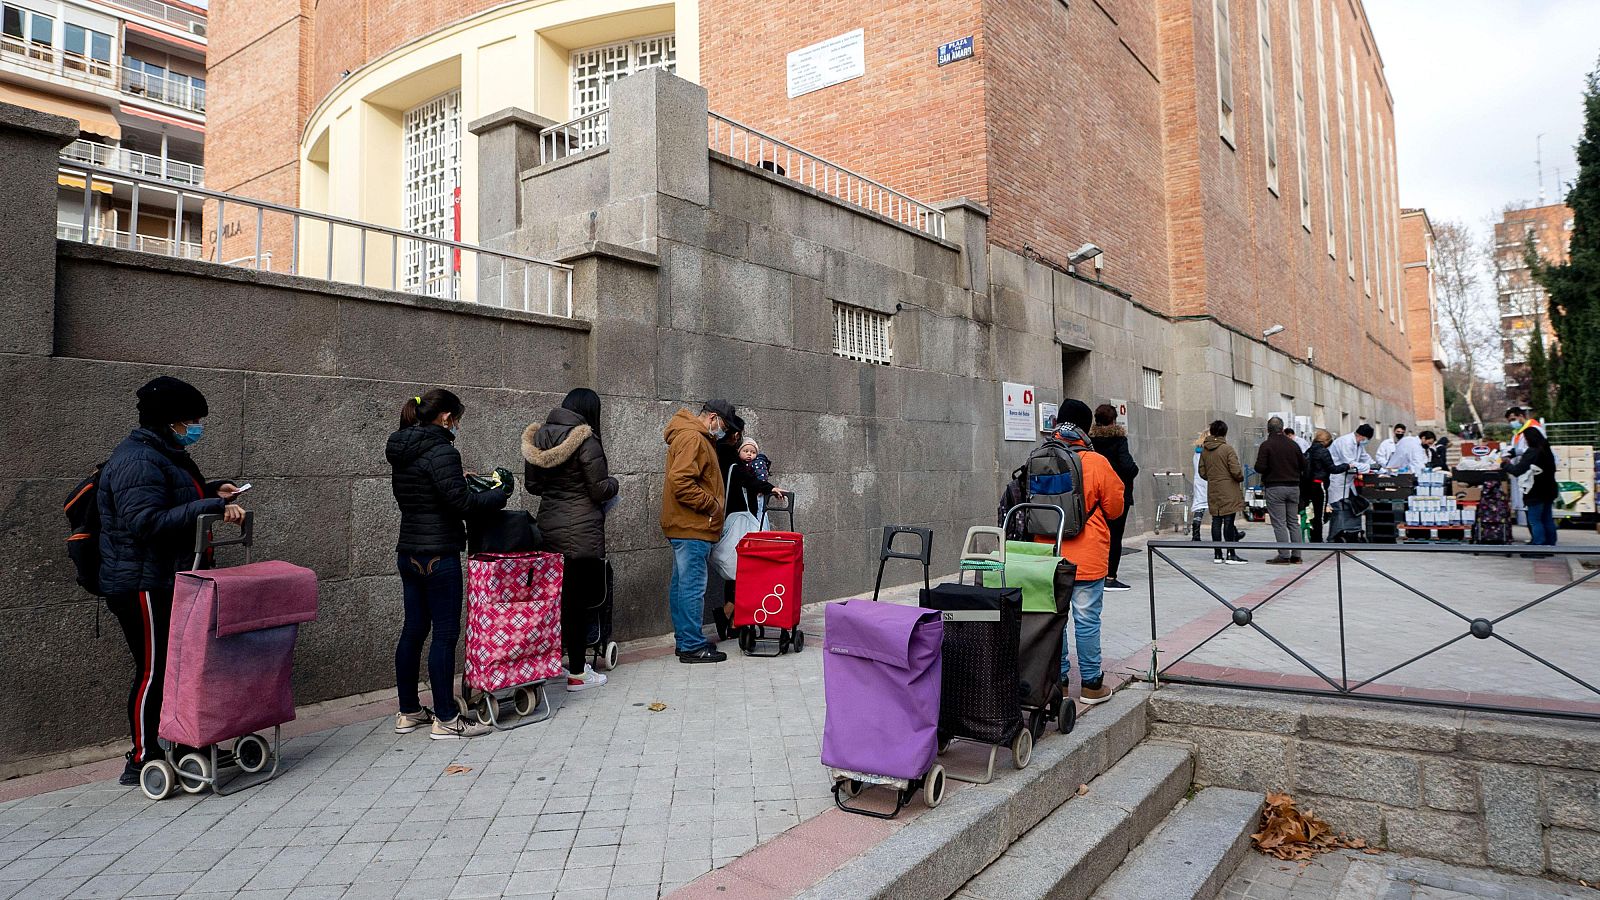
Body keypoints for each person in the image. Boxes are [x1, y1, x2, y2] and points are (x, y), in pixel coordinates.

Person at [99, 377, 246, 785]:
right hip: (141, 583)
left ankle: (181, 746)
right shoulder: (137, 460)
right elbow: (146, 522)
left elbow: (168, 498)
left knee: (178, 667)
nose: (196, 427)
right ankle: (143, 757)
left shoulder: (164, 453)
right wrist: (209, 505)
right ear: (170, 421)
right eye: (191, 420)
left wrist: (212, 490)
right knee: (154, 670)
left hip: (166, 578)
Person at [387, 389, 510, 740]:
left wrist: (459, 479)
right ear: (445, 417)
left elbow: (426, 492)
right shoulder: (443, 451)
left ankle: (408, 711)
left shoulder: (402, 449)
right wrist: (498, 494)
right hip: (439, 553)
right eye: (456, 419)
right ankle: (446, 717)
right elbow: (461, 504)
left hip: (409, 550)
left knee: (413, 630)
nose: (457, 425)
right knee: (444, 634)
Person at [522, 388, 618, 693]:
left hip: (549, 529)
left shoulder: (538, 437)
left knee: (556, 602)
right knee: (578, 604)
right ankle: (577, 672)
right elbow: (599, 489)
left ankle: (553, 663)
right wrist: (614, 484)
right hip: (580, 534)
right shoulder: (586, 440)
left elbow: (533, 485)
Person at [1044, 400, 1125, 705]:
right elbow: (1115, 509)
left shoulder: (1040, 456)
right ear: (1086, 428)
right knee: (1087, 619)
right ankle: (1091, 685)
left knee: (1055, 619)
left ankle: (1059, 682)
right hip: (1087, 555)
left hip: (1047, 555)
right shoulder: (1096, 462)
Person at [662, 400, 736, 663]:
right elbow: (680, 481)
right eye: (724, 425)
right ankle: (692, 645)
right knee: (691, 587)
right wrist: (712, 505)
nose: (724, 431)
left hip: (686, 525)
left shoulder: (692, 435)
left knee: (682, 586)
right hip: (692, 525)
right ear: (713, 418)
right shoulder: (694, 437)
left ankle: (686, 641)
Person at [710, 436, 786, 640]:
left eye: (753, 452)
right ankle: (728, 614)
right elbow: (749, 482)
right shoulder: (736, 469)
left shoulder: (747, 469)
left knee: (739, 572)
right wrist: (769, 488)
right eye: (746, 451)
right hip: (741, 527)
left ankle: (733, 620)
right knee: (743, 572)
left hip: (746, 525)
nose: (750, 455)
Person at [1089, 403, 1139, 592]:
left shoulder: (1090, 441)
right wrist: (1133, 470)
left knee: (1096, 534)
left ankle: (1096, 574)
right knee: (1115, 535)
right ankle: (1110, 577)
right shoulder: (1119, 440)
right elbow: (1127, 466)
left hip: (1094, 494)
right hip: (1117, 494)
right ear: (1113, 420)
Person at [1254, 416, 1305, 565]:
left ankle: (1284, 555)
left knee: (1279, 523)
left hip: (1275, 487)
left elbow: (1260, 467)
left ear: (1268, 430)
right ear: (1282, 429)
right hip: (1294, 487)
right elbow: (1304, 464)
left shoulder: (1266, 445)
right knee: (1293, 522)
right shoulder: (1293, 445)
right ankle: (1297, 555)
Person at [1199, 420, 1247, 565]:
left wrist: (1213, 478)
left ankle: (1217, 554)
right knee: (1229, 521)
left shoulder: (1205, 450)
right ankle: (1231, 554)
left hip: (1213, 489)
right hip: (1229, 489)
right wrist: (1239, 478)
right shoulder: (1227, 449)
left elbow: (1202, 472)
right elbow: (1236, 471)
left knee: (1216, 520)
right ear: (1225, 432)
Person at [1503, 426, 1558, 550]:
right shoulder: (1546, 450)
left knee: (1534, 520)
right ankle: (1550, 545)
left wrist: (1505, 465)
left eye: (1526, 439)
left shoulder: (1532, 452)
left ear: (1530, 439)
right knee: (1547, 518)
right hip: (1550, 489)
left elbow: (1517, 470)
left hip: (1535, 490)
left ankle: (1538, 545)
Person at [1304, 429, 1345, 543]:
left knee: (1311, 511)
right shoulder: (1324, 451)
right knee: (1320, 513)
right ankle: (1317, 538)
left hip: (1309, 484)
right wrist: (1346, 466)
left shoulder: (1309, 450)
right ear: (1326, 441)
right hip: (1320, 484)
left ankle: (1313, 536)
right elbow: (1332, 468)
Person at [1329, 424, 1376, 503]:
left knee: (1348, 503)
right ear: (1361, 436)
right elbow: (1350, 463)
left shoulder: (1359, 444)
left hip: (1348, 479)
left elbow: (1365, 457)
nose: (1367, 441)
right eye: (1367, 439)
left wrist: (1380, 469)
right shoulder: (1345, 442)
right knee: (1337, 503)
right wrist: (1370, 467)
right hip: (1338, 478)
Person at [1190, 433, 1209, 542]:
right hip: (1209, 480)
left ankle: (1195, 534)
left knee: (1199, 506)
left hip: (1199, 481)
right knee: (1222, 508)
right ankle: (1233, 532)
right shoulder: (1208, 452)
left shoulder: (1197, 452)